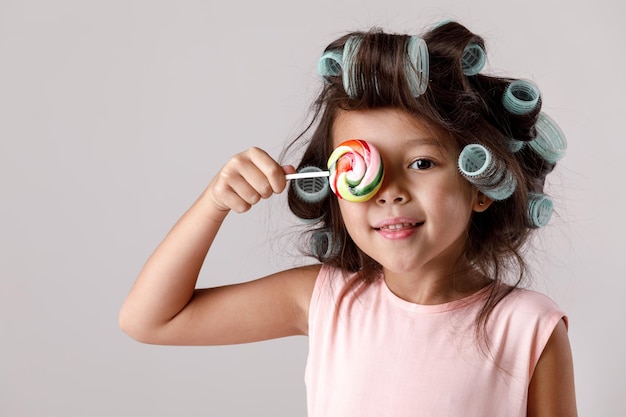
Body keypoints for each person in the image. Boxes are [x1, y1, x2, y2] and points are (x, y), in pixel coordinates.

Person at [119, 20, 577, 416]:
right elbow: (150, 320)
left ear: (479, 182)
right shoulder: (326, 299)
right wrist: (213, 204)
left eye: (421, 164)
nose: (389, 192)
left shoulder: (529, 328)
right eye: (361, 166)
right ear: (336, 184)